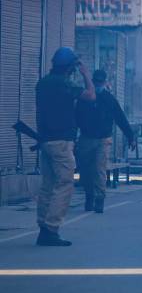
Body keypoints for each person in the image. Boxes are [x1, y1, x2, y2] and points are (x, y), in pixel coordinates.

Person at [35, 47, 96, 246]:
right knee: (64, 184)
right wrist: (86, 74)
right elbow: (90, 95)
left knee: (48, 185)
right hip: (61, 142)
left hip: (45, 141)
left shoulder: (42, 84)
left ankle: (43, 226)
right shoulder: (65, 84)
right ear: (70, 68)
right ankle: (52, 228)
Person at [76, 69, 135, 214]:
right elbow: (75, 118)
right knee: (85, 171)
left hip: (103, 140)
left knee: (99, 169)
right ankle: (89, 196)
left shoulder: (109, 99)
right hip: (86, 139)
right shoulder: (84, 98)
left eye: (100, 82)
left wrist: (130, 136)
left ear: (104, 82)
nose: (98, 85)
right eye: (96, 82)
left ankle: (99, 199)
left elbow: (121, 118)